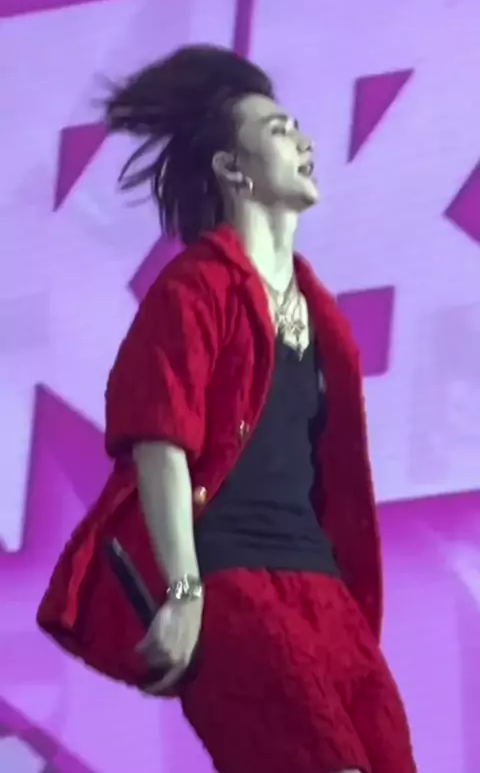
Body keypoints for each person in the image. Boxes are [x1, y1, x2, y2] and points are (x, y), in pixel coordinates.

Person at [37, 45, 416, 773]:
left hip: (327, 596)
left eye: (297, 127)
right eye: (278, 129)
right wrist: (183, 593)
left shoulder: (322, 316)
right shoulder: (195, 288)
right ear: (233, 169)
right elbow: (160, 443)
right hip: (234, 586)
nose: (303, 139)